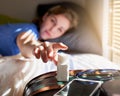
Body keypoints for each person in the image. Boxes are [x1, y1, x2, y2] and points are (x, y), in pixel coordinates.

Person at [0, 5, 78, 64]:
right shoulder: (29, 29)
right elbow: (26, 42)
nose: (52, 29)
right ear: (45, 16)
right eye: (53, 21)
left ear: (62, 34)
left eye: (60, 29)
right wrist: (37, 47)